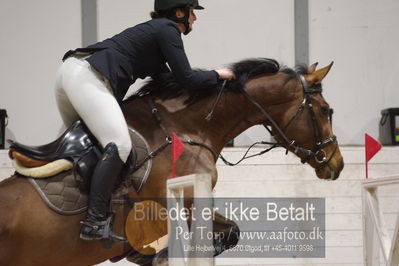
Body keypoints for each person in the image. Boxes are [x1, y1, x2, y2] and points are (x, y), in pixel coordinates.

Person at [55, 0, 235, 241]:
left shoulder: (154, 33)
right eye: (192, 12)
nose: (195, 18)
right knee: (119, 145)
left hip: (70, 75)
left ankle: (72, 214)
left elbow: (169, 82)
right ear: (179, 12)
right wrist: (218, 75)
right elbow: (186, 77)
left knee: (84, 151)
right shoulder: (167, 29)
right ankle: (95, 221)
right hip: (86, 78)